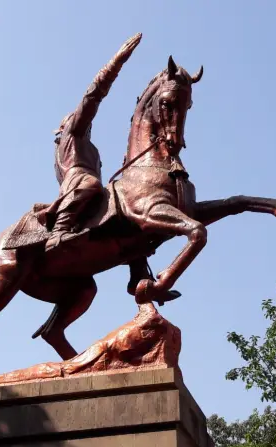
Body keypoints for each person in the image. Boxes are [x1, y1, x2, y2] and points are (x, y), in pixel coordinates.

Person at [46, 32, 179, 302]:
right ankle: (59, 232)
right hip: (78, 183)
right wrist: (117, 62)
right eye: (79, 120)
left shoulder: (90, 146)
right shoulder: (72, 137)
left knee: (131, 216)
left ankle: (139, 276)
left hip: (91, 188)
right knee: (91, 183)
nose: (88, 122)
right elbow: (91, 98)